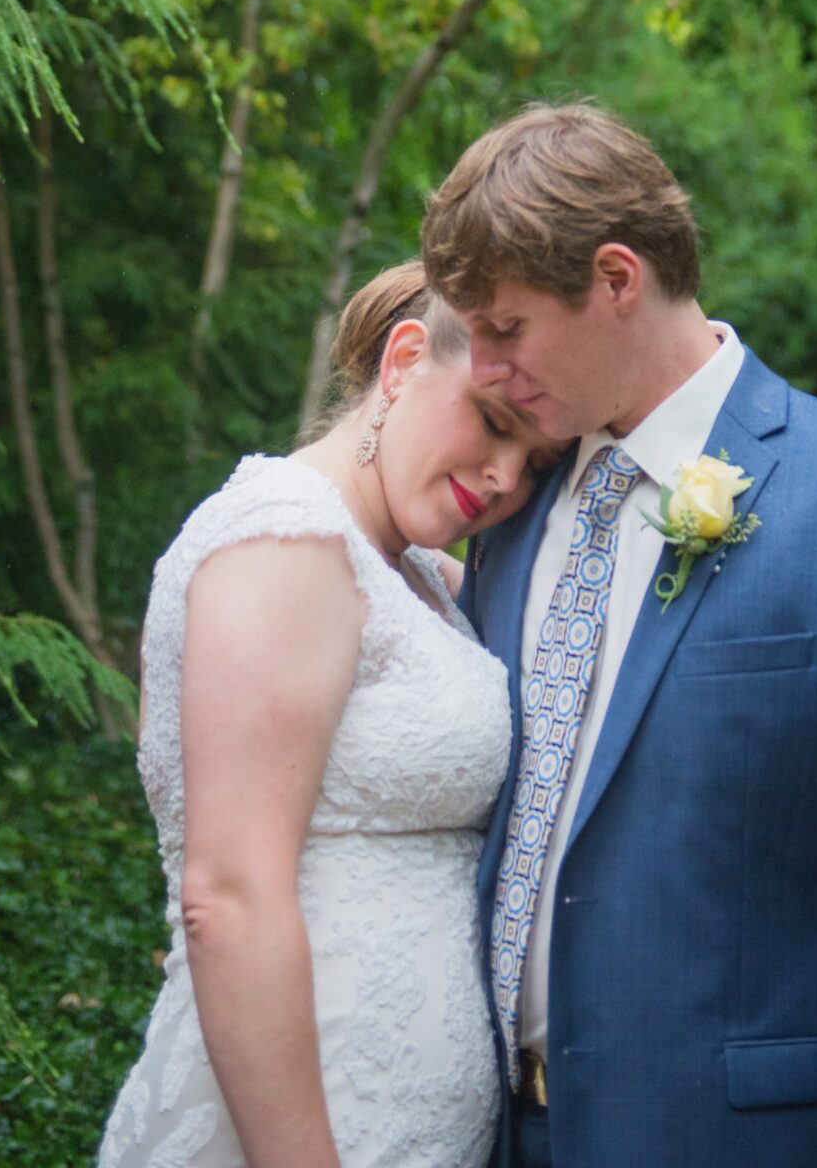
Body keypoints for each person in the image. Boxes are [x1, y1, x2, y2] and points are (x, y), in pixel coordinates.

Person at [420, 102, 817, 1168]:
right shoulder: (510, 506)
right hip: (488, 1137)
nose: (483, 371)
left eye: (505, 329)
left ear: (614, 278)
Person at [98, 261, 557, 1168]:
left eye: (536, 462)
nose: (505, 477)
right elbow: (227, 898)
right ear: (404, 361)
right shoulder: (283, 541)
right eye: (494, 423)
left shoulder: (417, 574)